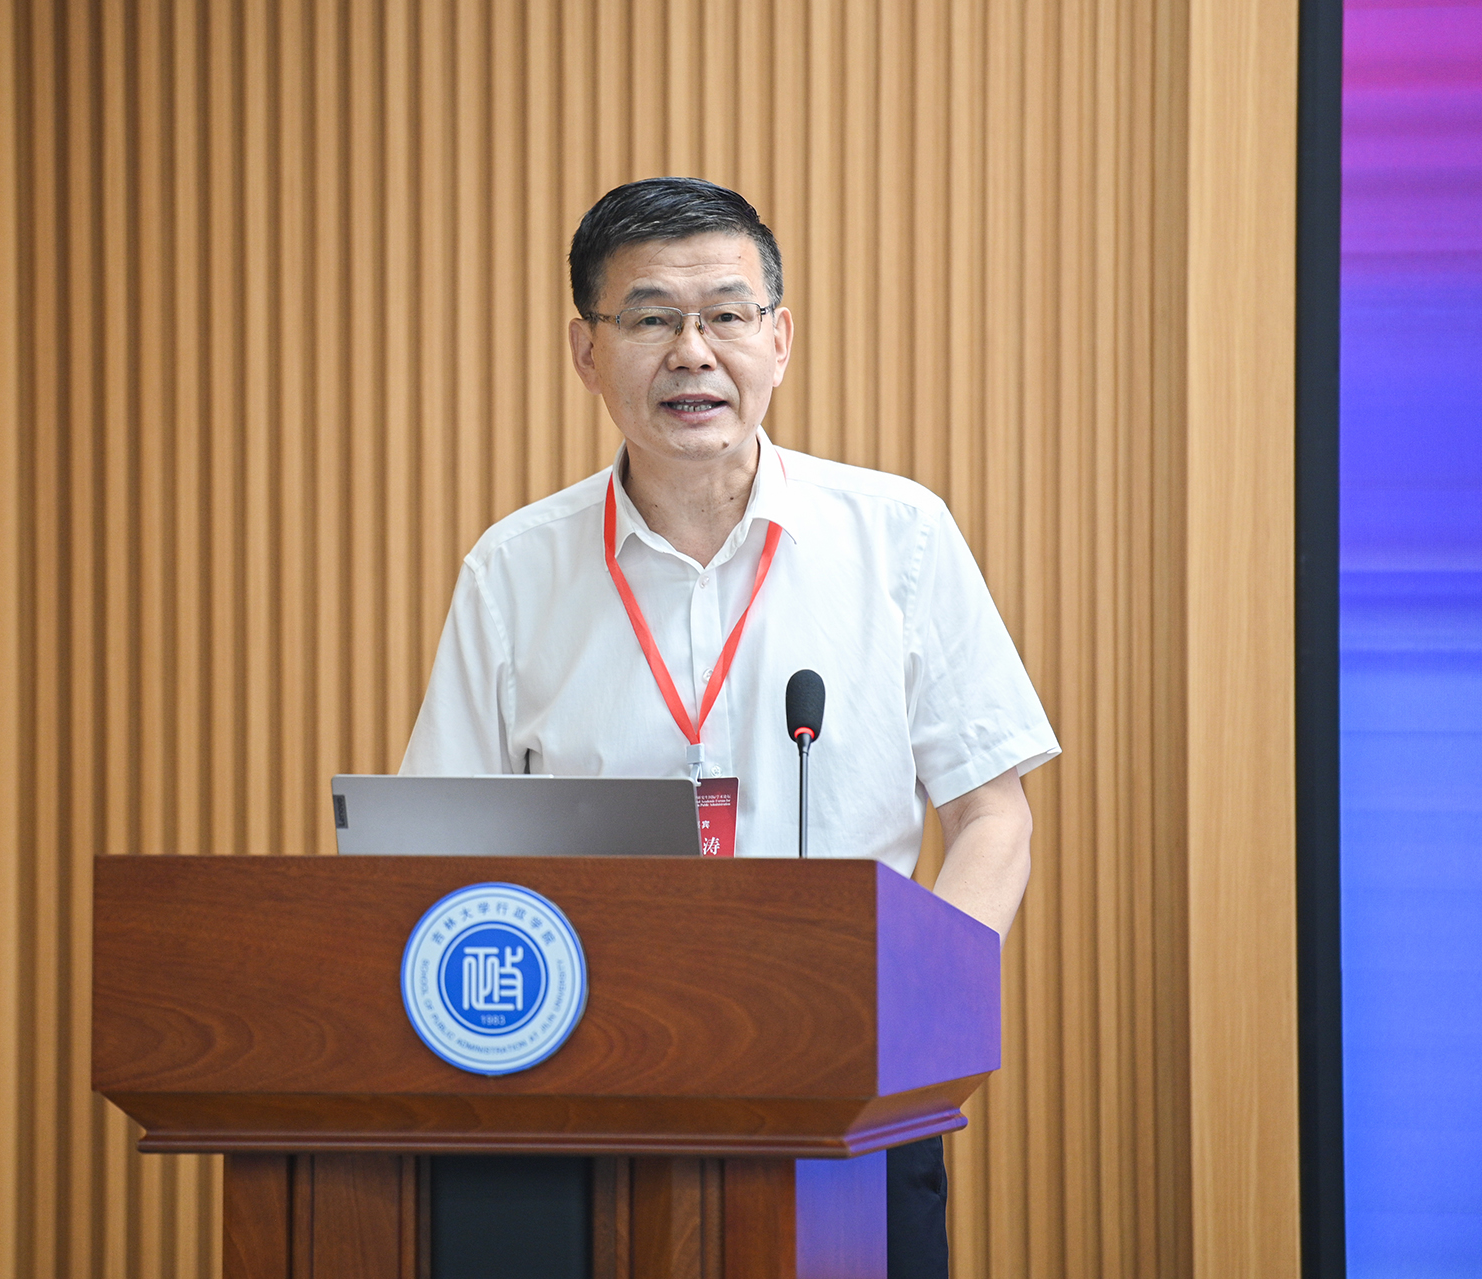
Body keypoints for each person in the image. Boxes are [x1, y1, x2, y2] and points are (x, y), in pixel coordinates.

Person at [401, 176, 1059, 1276]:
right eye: (651, 318)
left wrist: (921, 999)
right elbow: (434, 851)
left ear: (779, 340)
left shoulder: (897, 537)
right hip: (582, 1091)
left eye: (726, 314)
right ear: (587, 351)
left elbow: (995, 815)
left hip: (847, 1080)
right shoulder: (514, 571)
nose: (692, 353)